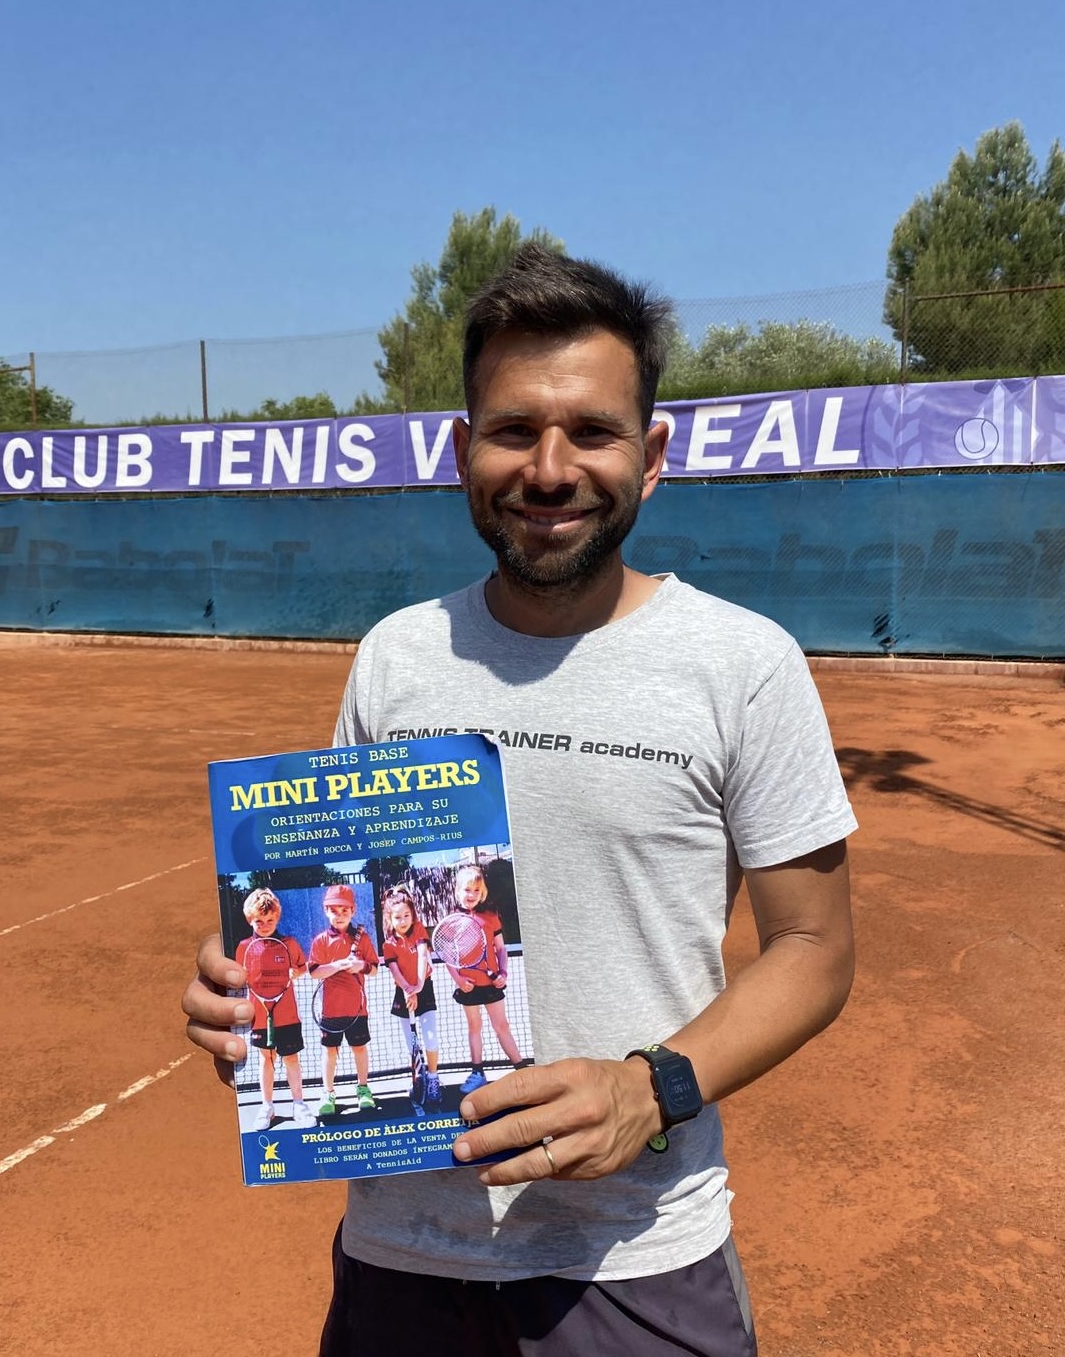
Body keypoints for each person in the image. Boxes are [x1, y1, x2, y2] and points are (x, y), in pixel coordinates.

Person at [184, 243, 857, 1357]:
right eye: (512, 430)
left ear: (652, 455)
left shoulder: (744, 664)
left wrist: (650, 1090)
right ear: (463, 453)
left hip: (635, 1257)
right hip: (403, 1257)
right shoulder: (396, 656)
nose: (549, 469)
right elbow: (338, 883)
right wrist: (248, 1010)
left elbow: (815, 949)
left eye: (591, 431)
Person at [441, 863, 529, 1094]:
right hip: (468, 986)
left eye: (476, 890)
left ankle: (523, 1071)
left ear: (483, 893)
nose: (471, 895)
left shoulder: (491, 917)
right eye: (467, 889)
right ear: (457, 891)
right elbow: (448, 956)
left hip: (491, 983)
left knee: (502, 1026)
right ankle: (478, 1073)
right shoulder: (452, 920)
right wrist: (459, 980)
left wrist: (503, 973)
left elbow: (500, 949)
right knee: (474, 1027)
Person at [234, 887, 316, 1131]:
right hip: (260, 1015)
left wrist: (296, 972)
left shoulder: (289, 944)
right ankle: (267, 1107)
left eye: (270, 920)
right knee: (266, 1058)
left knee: (291, 1058)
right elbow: (239, 977)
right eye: (259, 921)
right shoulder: (244, 947)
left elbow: (303, 967)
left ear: (277, 918)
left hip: (287, 1014)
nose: (265, 925)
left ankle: (299, 1105)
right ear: (250, 919)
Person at [308, 884, 380, 1115]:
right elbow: (314, 972)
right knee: (330, 1052)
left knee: (359, 1049)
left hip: (357, 1010)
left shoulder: (363, 938)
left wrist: (360, 965)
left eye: (344, 911)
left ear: (353, 911)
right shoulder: (320, 940)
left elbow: (374, 969)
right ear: (325, 911)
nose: (339, 916)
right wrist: (337, 965)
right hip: (331, 1011)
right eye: (334, 911)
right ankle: (328, 1092)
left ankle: (363, 1088)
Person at [380, 884, 442, 1109]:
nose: (403, 920)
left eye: (406, 915)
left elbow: (422, 957)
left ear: (412, 915)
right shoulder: (388, 944)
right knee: (412, 1044)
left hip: (424, 988)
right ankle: (417, 1078)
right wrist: (408, 989)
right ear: (390, 919)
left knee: (431, 1038)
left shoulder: (418, 931)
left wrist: (418, 986)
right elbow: (395, 971)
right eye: (397, 917)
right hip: (403, 992)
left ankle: (433, 1078)